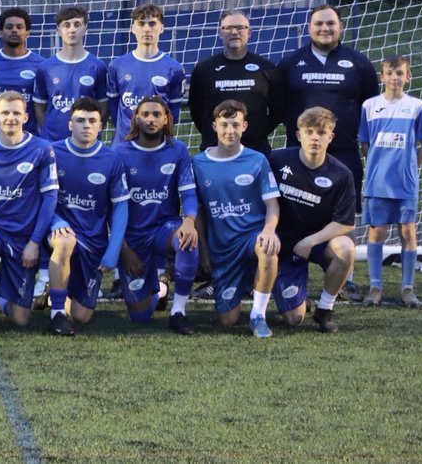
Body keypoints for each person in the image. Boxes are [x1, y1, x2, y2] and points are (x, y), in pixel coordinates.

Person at [277, 4, 378, 301]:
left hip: (344, 152)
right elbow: (279, 105)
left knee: (343, 215)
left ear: (340, 27)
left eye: (331, 24)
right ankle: (290, 264)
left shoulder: (358, 64)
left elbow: (371, 106)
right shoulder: (290, 64)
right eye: (319, 23)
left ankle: (342, 278)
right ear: (309, 28)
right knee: (293, 209)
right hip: (300, 155)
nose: (325, 28)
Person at [0, 91, 59, 335]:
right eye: (5, 113)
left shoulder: (42, 149)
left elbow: (50, 197)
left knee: (20, 319)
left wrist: (34, 242)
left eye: (16, 113)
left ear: (26, 117)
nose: (11, 118)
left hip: (23, 236)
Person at [192, 100, 281, 338]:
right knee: (227, 321)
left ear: (244, 126)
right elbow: (197, 212)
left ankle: (258, 315)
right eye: (224, 125)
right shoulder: (198, 163)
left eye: (235, 125)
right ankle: (246, 283)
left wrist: (269, 230)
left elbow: (272, 204)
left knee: (268, 248)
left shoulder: (257, 160)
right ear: (214, 126)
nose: (229, 131)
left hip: (251, 237)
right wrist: (204, 251)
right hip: (222, 248)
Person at [113, 97, 200, 333]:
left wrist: (189, 221)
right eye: (146, 114)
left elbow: (189, 194)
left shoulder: (178, 149)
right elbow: (110, 208)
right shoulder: (119, 153)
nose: (151, 119)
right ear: (136, 119)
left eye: (157, 114)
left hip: (165, 227)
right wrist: (125, 251)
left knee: (188, 241)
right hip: (133, 237)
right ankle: (159, 289)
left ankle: (178, 311)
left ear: (166, 119)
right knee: (140, 316)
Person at [269, 107, 356, 332]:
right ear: (299, 135)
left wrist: (310, 241)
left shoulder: (341, 174)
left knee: (345, 248)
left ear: (331, 137)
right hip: (284, 243)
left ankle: (325, 309)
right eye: (309, 132)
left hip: (317, 242)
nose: (315, 137)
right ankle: (297, 297)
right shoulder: (277, 160)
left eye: (321, 132)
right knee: (293, 319)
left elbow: (346, 222)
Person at [46, 97, 129, 333]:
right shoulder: (53, 152)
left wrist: (113, 251)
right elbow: (41, 198)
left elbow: (121, 207)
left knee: (82, 316)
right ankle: (57, 314)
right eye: (80, 120)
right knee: (64, 241)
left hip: (93, 241)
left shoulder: (112, 159)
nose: (86, 125)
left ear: (101, 126)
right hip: (59, 232)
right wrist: (55, 221)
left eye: (92, 121)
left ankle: (54, 292)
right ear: (70, 124)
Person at [359, 54, 422, 307]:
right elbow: (365, 144)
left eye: (400, 73)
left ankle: (407, 288)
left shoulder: (417, 106)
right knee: (377, 231)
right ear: (382, 77)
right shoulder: (369, 106)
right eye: (390, 73)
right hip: (378, 182)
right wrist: (381, 164)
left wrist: (410, 165)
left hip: (405, 182)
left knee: (407, 231)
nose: (395, 78)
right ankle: (375, 287)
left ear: (408, 77)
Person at [188, 9, 284, 153]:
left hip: (255, 150)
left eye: (240, 27)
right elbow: (196, 111)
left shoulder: (267, 68)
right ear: (220, 33)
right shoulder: (204, 70)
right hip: (215, 149)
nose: (234, 32)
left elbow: (278, 110)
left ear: (249, 32)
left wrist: (258, 131)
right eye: (228, 28)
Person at [107, 2, 185, 145]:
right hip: (123, 145)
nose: (147, 29)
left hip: (157, 145)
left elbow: (173, 113)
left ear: (161, 28)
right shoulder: (116, 66)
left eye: (152, 24)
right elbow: (113, 109)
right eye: (141, 24)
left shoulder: (174, 68)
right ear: (133, 28)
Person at [33, 5, 108, 142]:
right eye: (66, 25)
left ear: (85, 28)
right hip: (53, 143)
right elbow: (39, 107)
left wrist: (91, 131)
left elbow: (103, 108)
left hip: (86, 144)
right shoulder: (45, 67)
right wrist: (49, 131)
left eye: (77, 24)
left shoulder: (98, 67)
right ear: (59, 30)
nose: (72, 29)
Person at [0, 7, 44, 138]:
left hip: (29, 140)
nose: (14, 30)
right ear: (1, 32)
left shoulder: (41, 65)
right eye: (9, 27)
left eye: (19, 27)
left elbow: (43, 106)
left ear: (27, 33)